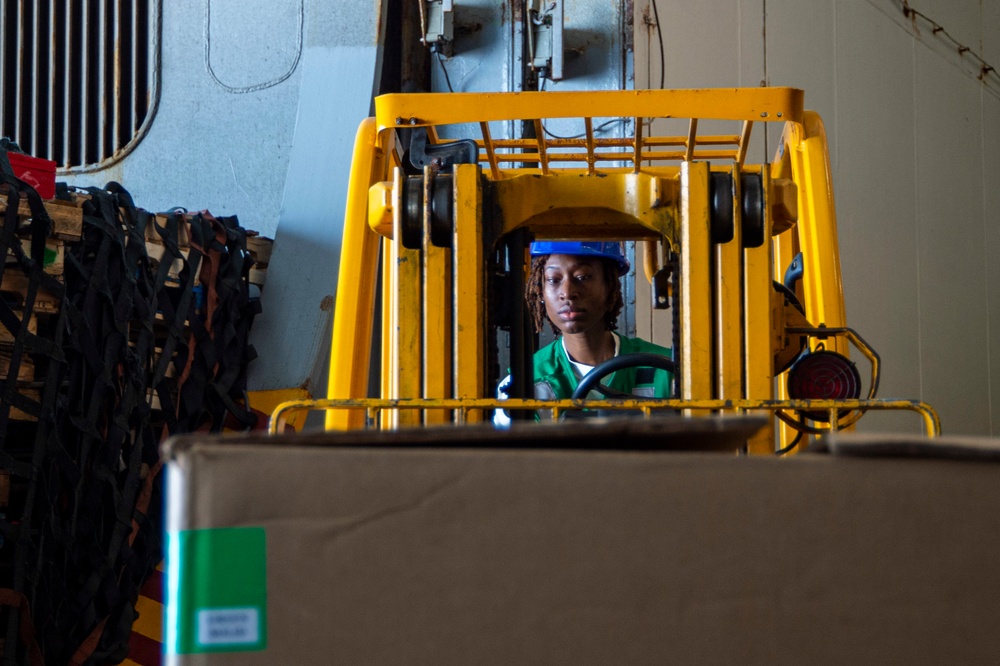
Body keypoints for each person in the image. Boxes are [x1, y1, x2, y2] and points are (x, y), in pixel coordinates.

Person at [495, 241, 673, 426]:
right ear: (540, 292)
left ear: (610, 286)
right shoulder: (522, 385)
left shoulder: (668, 370)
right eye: (554, 280)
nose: (567, 292)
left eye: (583, 277)